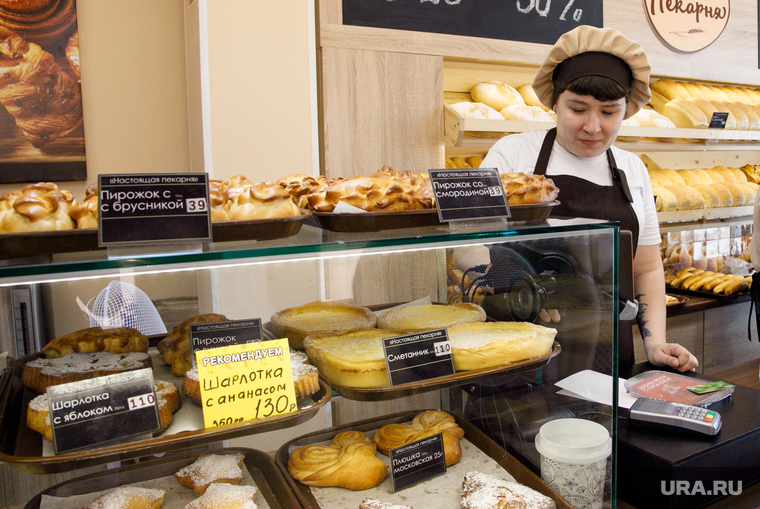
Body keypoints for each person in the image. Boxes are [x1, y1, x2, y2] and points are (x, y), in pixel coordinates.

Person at [479, 25, 698, 372]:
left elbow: (645, 268)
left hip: (607, 350)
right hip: (521, 344)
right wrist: (515, 282)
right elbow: (467, 245)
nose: (593, 127)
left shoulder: (631, 168)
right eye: (578, 109)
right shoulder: (512, 154)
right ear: (554, 101)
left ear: (626, 109)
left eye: (609, 112)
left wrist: (654, 342)